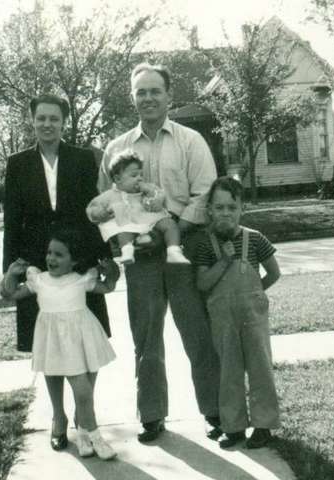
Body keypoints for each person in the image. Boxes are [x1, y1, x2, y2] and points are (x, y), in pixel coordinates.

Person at [98, 62, 220, 442]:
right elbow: (105, 203)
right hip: (141, 259)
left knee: (197, 332)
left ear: (169, 96)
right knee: (146, 337)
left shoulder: (190, 141)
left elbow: (205, 194)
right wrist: (130, 238)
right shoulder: (116, 149)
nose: (148, 98)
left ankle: (214, 411)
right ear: (132, 98)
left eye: (155, 91)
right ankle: (152, 415)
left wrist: (173, 230)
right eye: (141, 92)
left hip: (182, 249)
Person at [2, 93, 111, 353]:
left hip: (78, 257)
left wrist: (104, 256)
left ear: (63, 122)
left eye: (54, 118)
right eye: (41, 118)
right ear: (32, 120)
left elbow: (94, 212)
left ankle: (87, 383)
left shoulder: (82, 158)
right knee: (45, 343)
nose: (47, 124)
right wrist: (9, 268)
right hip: (36, 259)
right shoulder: (17, 163)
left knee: (87, 340)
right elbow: (12, 220)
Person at [1, 227, 119, 460]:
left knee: (85, 390)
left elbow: (107, 287)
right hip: (53, 340)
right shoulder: (39, 280)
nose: (51, 258)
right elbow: (10, 294)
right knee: (82, 390)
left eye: (59, 254)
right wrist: (11, 275)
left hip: (82, 339)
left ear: (74, 260)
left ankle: (83, 433)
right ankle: (95, 436)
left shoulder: (81, 280)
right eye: (49, 253)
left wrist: (111, 272)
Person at [195, 176, 281, 449]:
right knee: (228, 371)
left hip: (252, 316)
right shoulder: (206, 244)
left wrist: (255, 294)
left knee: (260, 368)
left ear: (242, 208)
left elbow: (274, 272)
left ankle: (263, 426)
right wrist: (224, 261)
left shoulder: (255, 239)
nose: (226, 213)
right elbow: (202, 283)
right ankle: (233, 427)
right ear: (209, 210)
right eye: (219, 207)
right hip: (223, 318)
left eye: (232, 207)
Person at [87, 149, 190, 264]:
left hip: (149, 219)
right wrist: (101, 213)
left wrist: (151, 194)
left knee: (170, 224)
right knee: (123, 232)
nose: (140, 178)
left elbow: (157, 202)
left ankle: (173, 250)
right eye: (134, 175)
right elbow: (93, 208)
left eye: (141, 175)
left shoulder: (146, 190)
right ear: (117, 179)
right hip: (127, 223)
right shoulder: (109, 195)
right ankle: (127, 251)